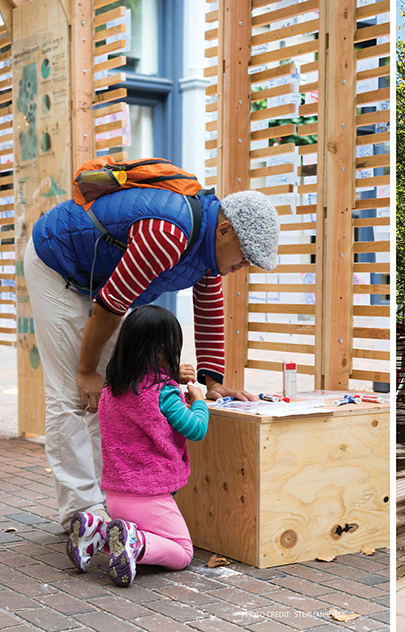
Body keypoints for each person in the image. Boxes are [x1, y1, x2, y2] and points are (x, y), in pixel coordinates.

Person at [25, 187, 279, 531]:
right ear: (224, 230)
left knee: (120, 390)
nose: (243, 266)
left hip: (102, 282)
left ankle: (115, 499)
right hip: (59, 267)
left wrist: (213, 382)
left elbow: (208, 310)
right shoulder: (168, 234)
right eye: (245, 255)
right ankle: (82, 513)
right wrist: (86, 371)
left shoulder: (209, 251)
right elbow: (110, 306)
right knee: (72, 394)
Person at [66, 305, 208, 586]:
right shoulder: (164, 393)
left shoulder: (111, 390)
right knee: (182, 552)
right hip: (150, 495)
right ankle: (136, 542)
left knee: (132, 528)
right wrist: (199, 400)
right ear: (161, 351)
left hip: (117, 495)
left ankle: (99, 530)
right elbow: (196, 429)